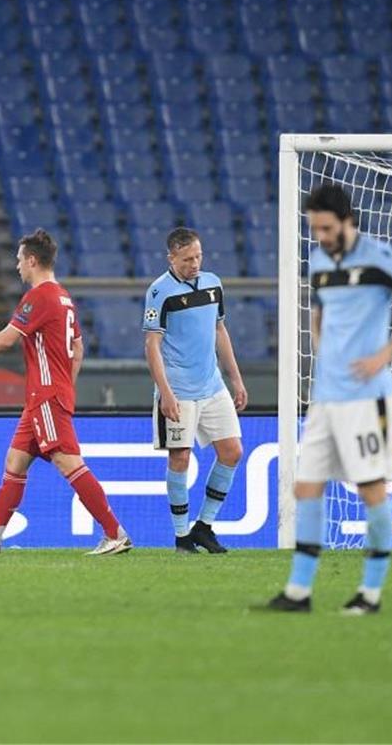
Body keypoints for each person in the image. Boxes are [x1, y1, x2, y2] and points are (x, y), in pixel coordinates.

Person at [263, 185, 392, 613]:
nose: (319, 236)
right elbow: (319, 308)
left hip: (367, 399)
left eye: (325, 227)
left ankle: (371, 594)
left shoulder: (379, 257)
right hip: (325, 396)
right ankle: (299, 591)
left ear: (347, 220)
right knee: (306, 487)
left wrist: (386, 353)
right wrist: (323, 347)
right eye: (314, 228)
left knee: (371, 489)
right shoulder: (320, 261)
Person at [0, 229, 132, 556]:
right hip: (45, 397)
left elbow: (7, 339)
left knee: (68, 463)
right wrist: (66, 385)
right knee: (15, 462)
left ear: (32, 261)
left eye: (20, 260)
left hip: (46, 397)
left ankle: (115, 533)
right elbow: (78, 348)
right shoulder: (63, 297)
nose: (17, 266)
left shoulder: (39, 296)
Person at [143, 227, 247, 554]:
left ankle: (204, 527)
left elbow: (219, 329)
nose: (195, 263)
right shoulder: (160, 292)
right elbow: (152, 344)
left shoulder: (213, 284)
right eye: (187, 259)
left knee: (232, 452)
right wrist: (166, 393)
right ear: (171, 257)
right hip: (179, 389)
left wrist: (236, 378)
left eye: (199, 256)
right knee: (181, 457)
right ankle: (181, 536)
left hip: (212, 384)